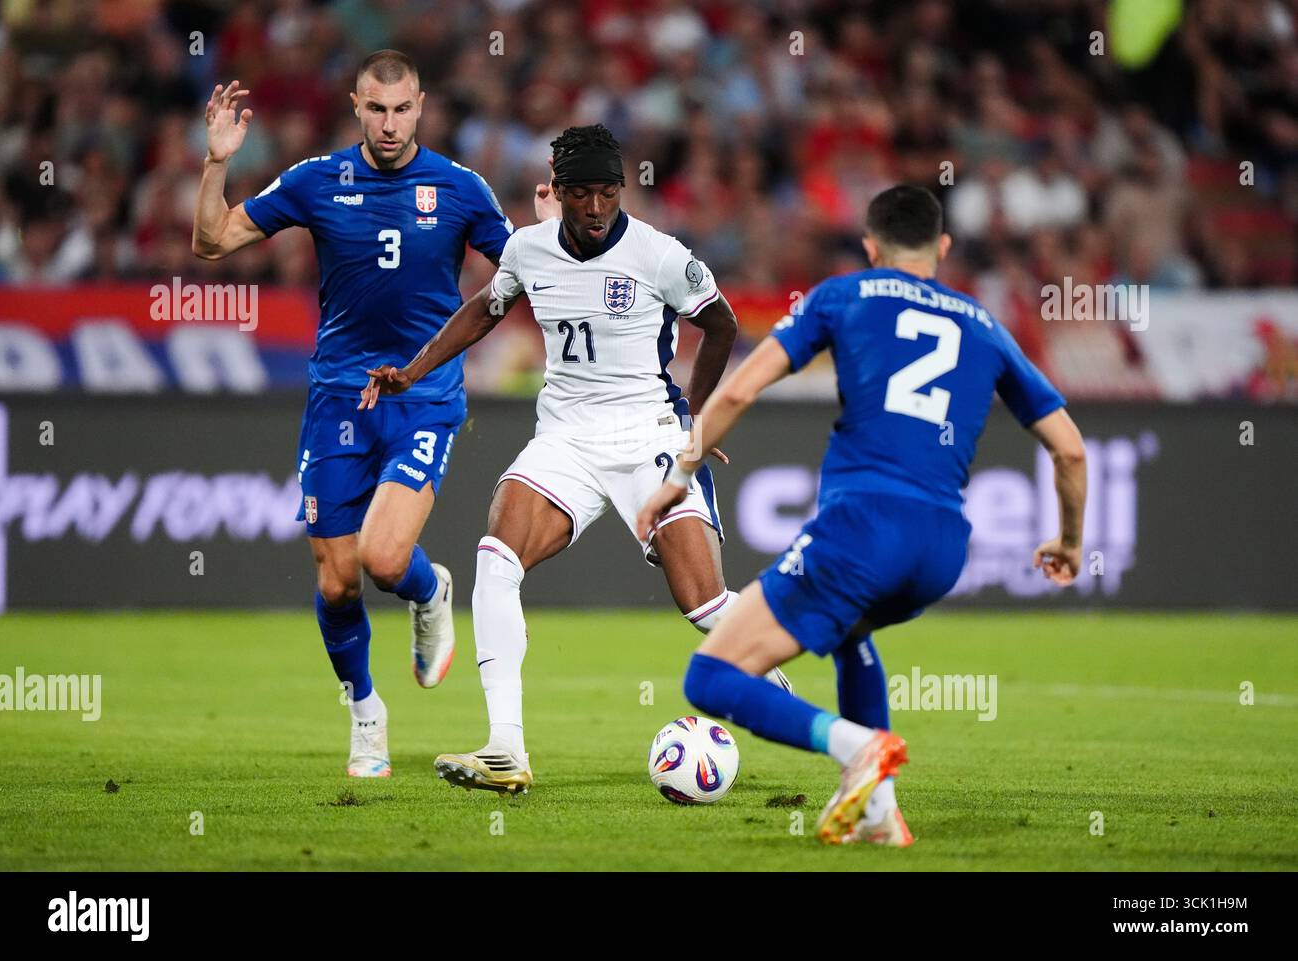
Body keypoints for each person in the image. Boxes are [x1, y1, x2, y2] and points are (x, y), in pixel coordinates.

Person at [636, 184, 1088, 845]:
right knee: (850, 635)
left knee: (710, 675)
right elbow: (1070, 451)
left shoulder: (842, 296)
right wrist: (1071, 543)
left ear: (870, 246)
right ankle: (879, 817)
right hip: (941, 547)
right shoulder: (984, 323)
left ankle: (854, 748)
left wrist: (678, 474)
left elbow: (738, 386)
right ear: (942, 247)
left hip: (862, 527)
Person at [362, 124, 787, 794]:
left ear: (622, 191)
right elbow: (484, 309)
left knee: (702, 604)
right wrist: (413, 372)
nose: (594, 207)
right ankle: (506, 748)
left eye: (607, 193)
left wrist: (697, 421)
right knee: (496, 556)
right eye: (581, 194)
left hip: (646, 435)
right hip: (564, 437)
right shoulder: (529, 249)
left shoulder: (659, 254)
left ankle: (763, 647)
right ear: (556, 193)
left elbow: (723, 322)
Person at [192, 49, 559, 778]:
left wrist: (547, 236)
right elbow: (211, 240)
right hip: (336, 396)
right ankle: (365, 710)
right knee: (336, 582)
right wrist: (215, 162)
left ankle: (430, 587)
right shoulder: (317, 180)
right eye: (375, 110)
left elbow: (526, 279)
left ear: (420, 107)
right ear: (356, 108)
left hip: (421, 393)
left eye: (401, 110)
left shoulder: (459, 188)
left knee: (383, 558)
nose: (389, 125)